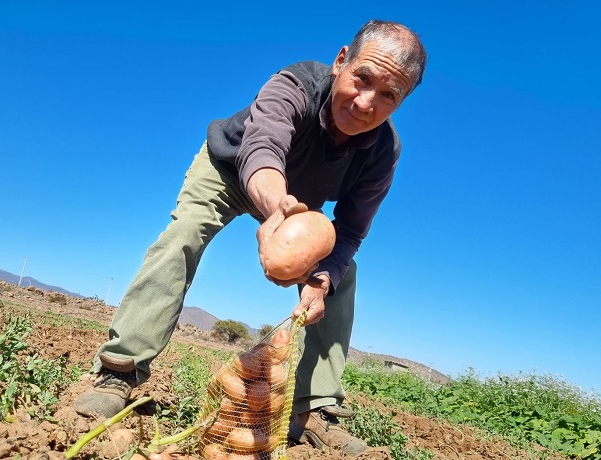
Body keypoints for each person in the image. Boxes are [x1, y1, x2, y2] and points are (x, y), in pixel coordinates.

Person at [74, 19, 427, 456]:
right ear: (341, 62)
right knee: (185, 232)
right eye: (363, 78)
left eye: (388, 95)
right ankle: (120, 369)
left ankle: (315, 409)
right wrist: (277, 205)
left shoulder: (383, 152)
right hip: (234, 171)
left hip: (298, 204)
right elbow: (262, 147)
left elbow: (351, 230)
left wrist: (320, 280)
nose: (365, 102)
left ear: (401, 101)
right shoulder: (295, 84)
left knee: (341, 275)